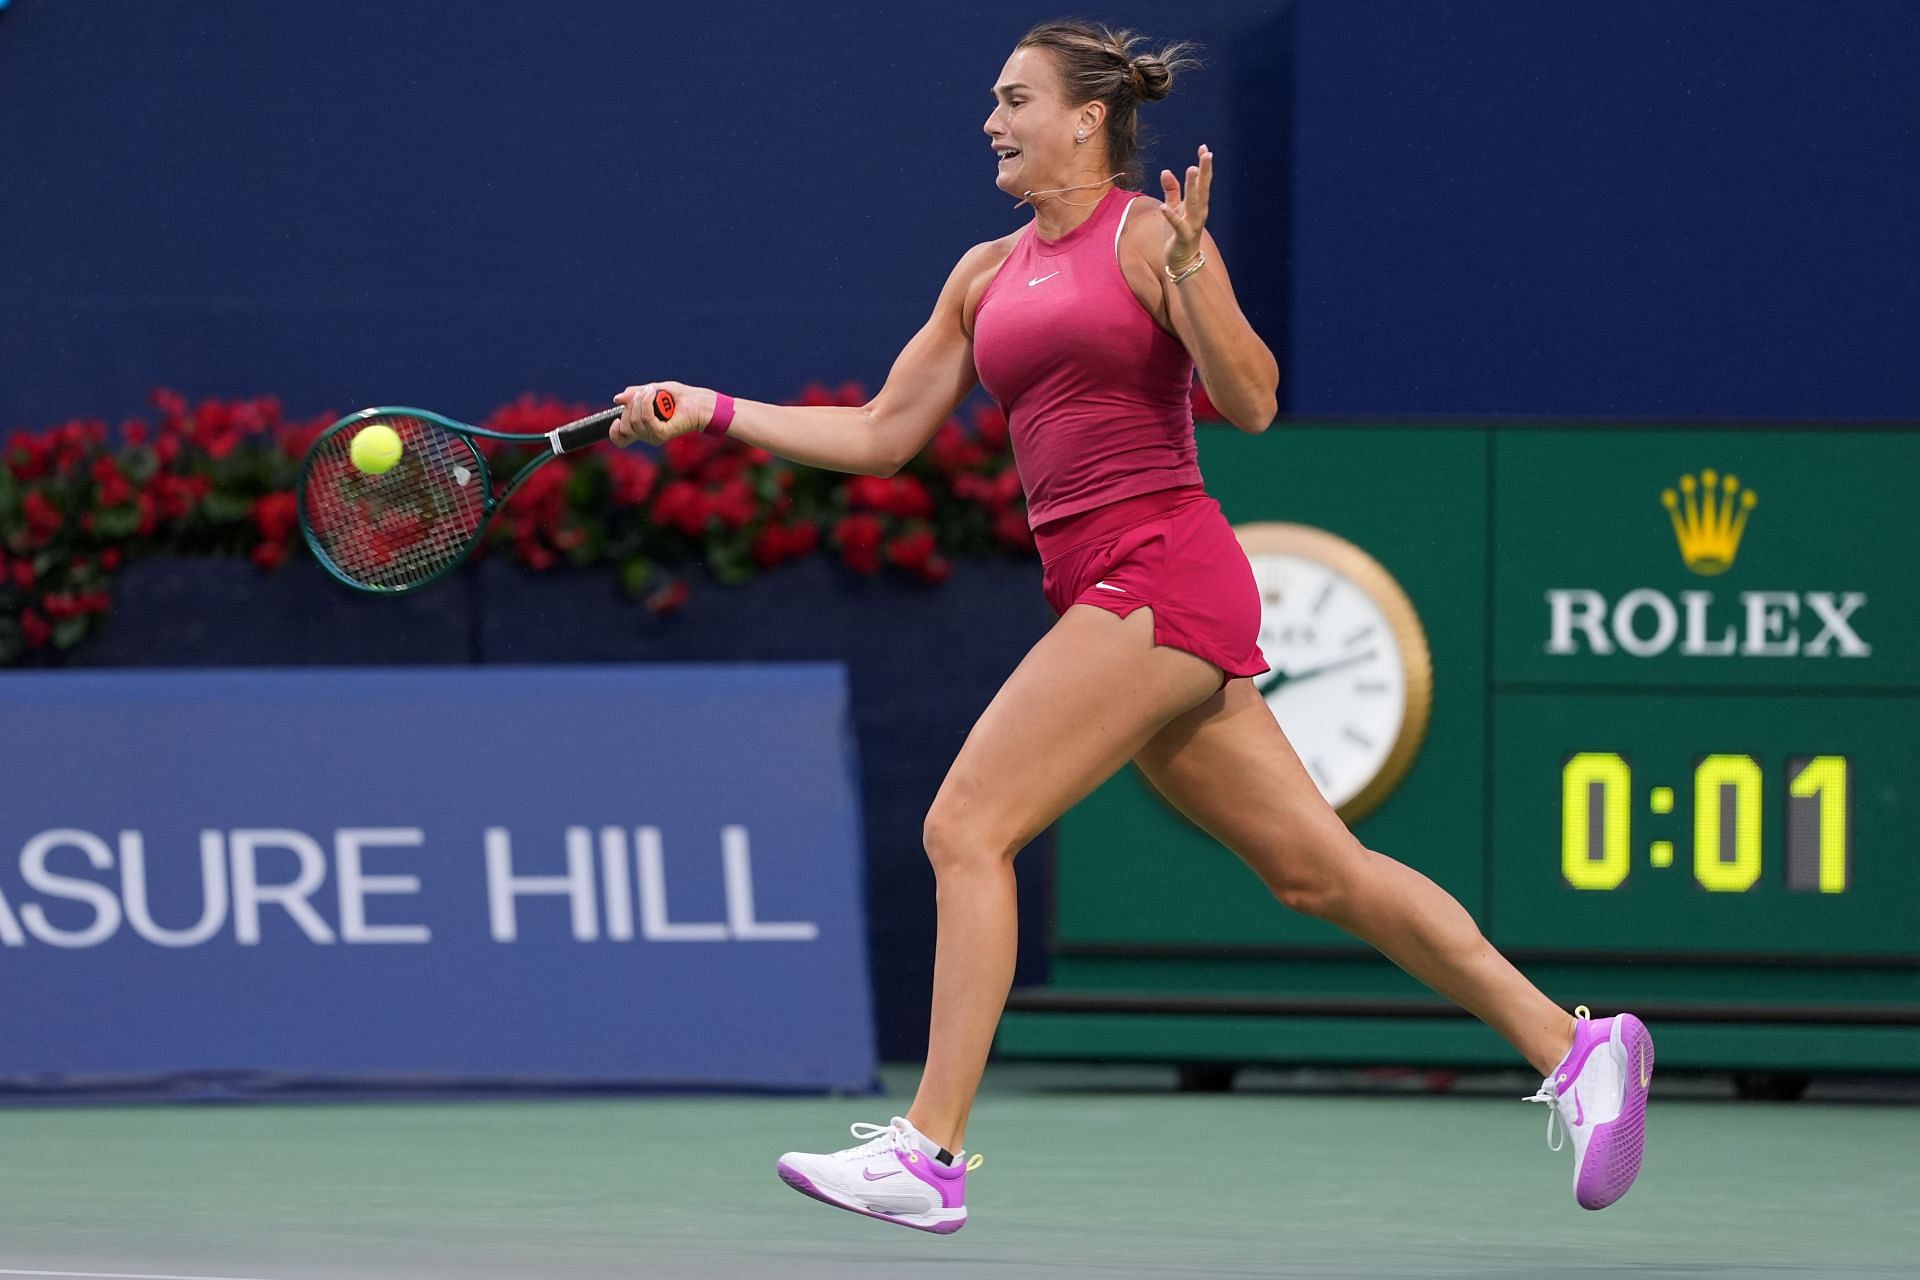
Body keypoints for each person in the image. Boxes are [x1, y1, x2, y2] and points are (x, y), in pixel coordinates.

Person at [611, 19, 1653, 1234]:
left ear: (1086, 118)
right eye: (994, 103)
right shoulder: (983, 273)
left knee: (966, 824)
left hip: (1162, 570)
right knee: (1321, 873)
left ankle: (930, 1148)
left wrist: (1200, 270)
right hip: (1115, 591)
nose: (993, 123)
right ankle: (1577, 1045)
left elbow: (1254, 403)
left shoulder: (1153, 236)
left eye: (1015, 100)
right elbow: (887, 431)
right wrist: (716, 407)